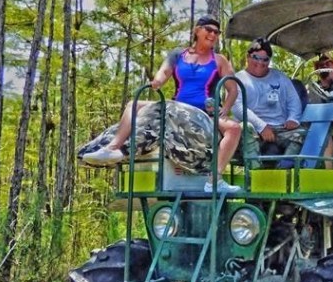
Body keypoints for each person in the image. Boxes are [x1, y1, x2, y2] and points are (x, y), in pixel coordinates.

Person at [82, 15, 242, 193]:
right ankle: (113, 148)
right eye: (209, 30)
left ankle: (215, 180)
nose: (213, 34)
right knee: (133, 104)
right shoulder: (177, 55)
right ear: (197, 30)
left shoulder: (219, 60)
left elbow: (233, 89)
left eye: (216, 32)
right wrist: (156, 82)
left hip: (203, 111)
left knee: (234, 128)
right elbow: (162, 74)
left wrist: (225, 109)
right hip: (176, 108)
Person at [232, 38, 304, 169]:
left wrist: (293, 118)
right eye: (256, 57)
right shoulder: (238, 79)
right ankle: (255, 175)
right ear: (248, 57)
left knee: (301, 135)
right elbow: (237, 107)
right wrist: (262, 127)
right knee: (244, 128)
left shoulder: (280, 77)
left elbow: (293, 100)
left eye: (265, 59)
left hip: (280, 128)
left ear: (269, 61)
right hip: (253, 129)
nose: (260, 62)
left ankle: (282, 173)